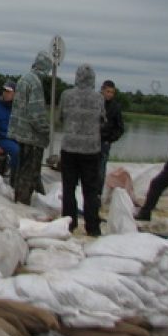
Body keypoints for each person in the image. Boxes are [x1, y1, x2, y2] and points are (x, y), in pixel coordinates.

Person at [58, 64, 106, 236]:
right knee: (91, 190)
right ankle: (92, 227)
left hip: (69, 148)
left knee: (69, 188)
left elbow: (60, 117)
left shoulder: (66, 95)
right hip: (91, 150)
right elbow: (102, 121)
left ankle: (69, 224)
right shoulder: (99, 98)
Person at [7, 50, 53, 205]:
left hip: (20, 135)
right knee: (30, 174)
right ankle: (23, 203)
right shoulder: (35, 83)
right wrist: (46, 130)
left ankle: (18, 200)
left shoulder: (23, 80)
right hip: (32, 138)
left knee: (21, 171)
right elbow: (36, 113)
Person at [99, 79, 125, 192]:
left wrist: (109, 139)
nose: (110, 94)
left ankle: (98, 194)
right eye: (108, 91)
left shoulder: (116, 107)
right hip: (90, 141)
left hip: (104, 142)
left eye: (112, 92)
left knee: (100, 169)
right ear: (102, 90)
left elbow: (120, 128)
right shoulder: (95, 103)